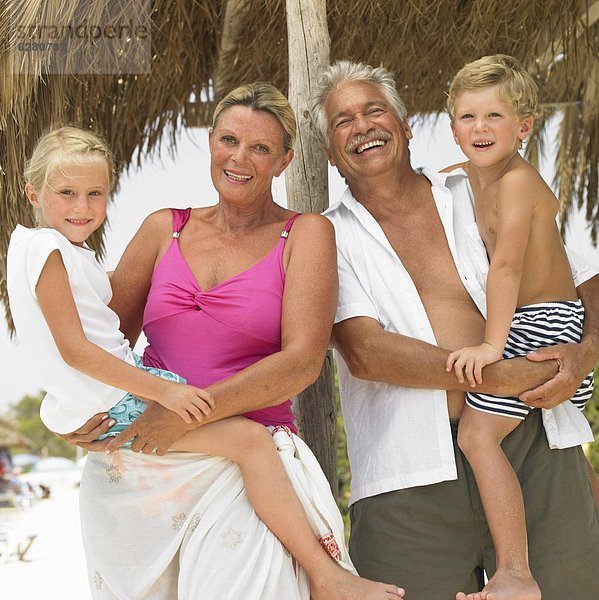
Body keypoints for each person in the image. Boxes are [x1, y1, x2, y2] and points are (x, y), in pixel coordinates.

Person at [50, 87, 403, 599]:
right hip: (145, 461)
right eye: (228, 140)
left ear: (284, 159)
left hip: (247, 466)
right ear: (211, 143)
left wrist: (188, 412)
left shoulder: (305, 235)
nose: (239, 158)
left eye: (260, 148)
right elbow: (103, 341)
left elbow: (302, 363)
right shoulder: (161, 230)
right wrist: (77, 413)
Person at [310, 60, 599, 600]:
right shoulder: (324, 236)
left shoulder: (477, 188)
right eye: (343, 121)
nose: (363, 126)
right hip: (407, 475)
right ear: (329, 151)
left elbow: (582, 275)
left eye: (375, 110)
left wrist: (589, 351)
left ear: (406, 125)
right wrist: (500, 376)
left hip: (533, 440)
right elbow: (367, 352)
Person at [443, 54, 596, 600]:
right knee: (559, 453)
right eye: (466, 117)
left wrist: (490, 344)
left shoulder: (516, 183)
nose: (479, 128)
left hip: (544, 323)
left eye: (494, 117)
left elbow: (506, 265)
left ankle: (514, 574)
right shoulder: (480, 177)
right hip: (547, 321)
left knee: (477, 434)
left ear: (525, 127)